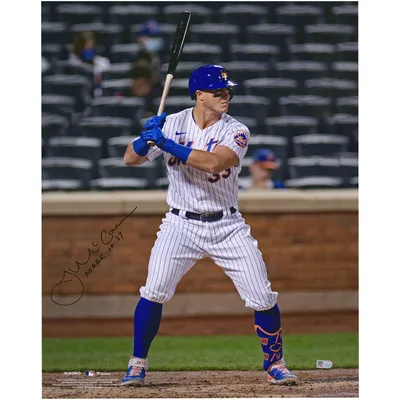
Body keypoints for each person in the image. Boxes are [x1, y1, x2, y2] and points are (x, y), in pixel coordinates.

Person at [122, 65, 299, 386]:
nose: (226, 96)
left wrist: (164, 144)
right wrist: (144, 138)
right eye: (218, 92)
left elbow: (214, 162)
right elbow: (129, 160)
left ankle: (275, 364)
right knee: (153, 291)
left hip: (227, 225)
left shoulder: (236, 129)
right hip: (180, 224)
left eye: (227, 91)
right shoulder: (171, 123)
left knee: (262, 295)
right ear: (199, 95)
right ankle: (137, 363)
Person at [68, 31, 111, 97]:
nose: (89, 51)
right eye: (86, 48)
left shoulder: (103, 62)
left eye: (91, 48)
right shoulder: (74, 64)